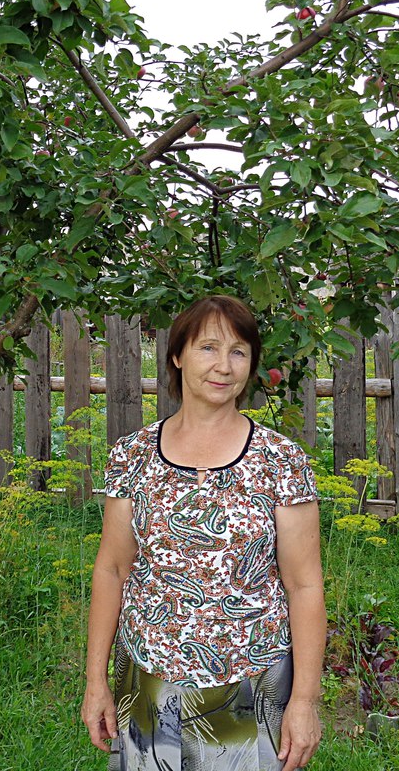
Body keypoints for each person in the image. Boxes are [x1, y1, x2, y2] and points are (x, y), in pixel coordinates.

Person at [82, 295, 325, 771]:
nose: (224, 366)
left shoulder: (279, 460)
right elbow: (112, 569)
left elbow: (305, 585)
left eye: (238, 351)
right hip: (148, 681)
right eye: (208, 348)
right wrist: (96, 681)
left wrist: (305, 700)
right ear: (177, 355)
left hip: (251, 688)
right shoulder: (132, 455)